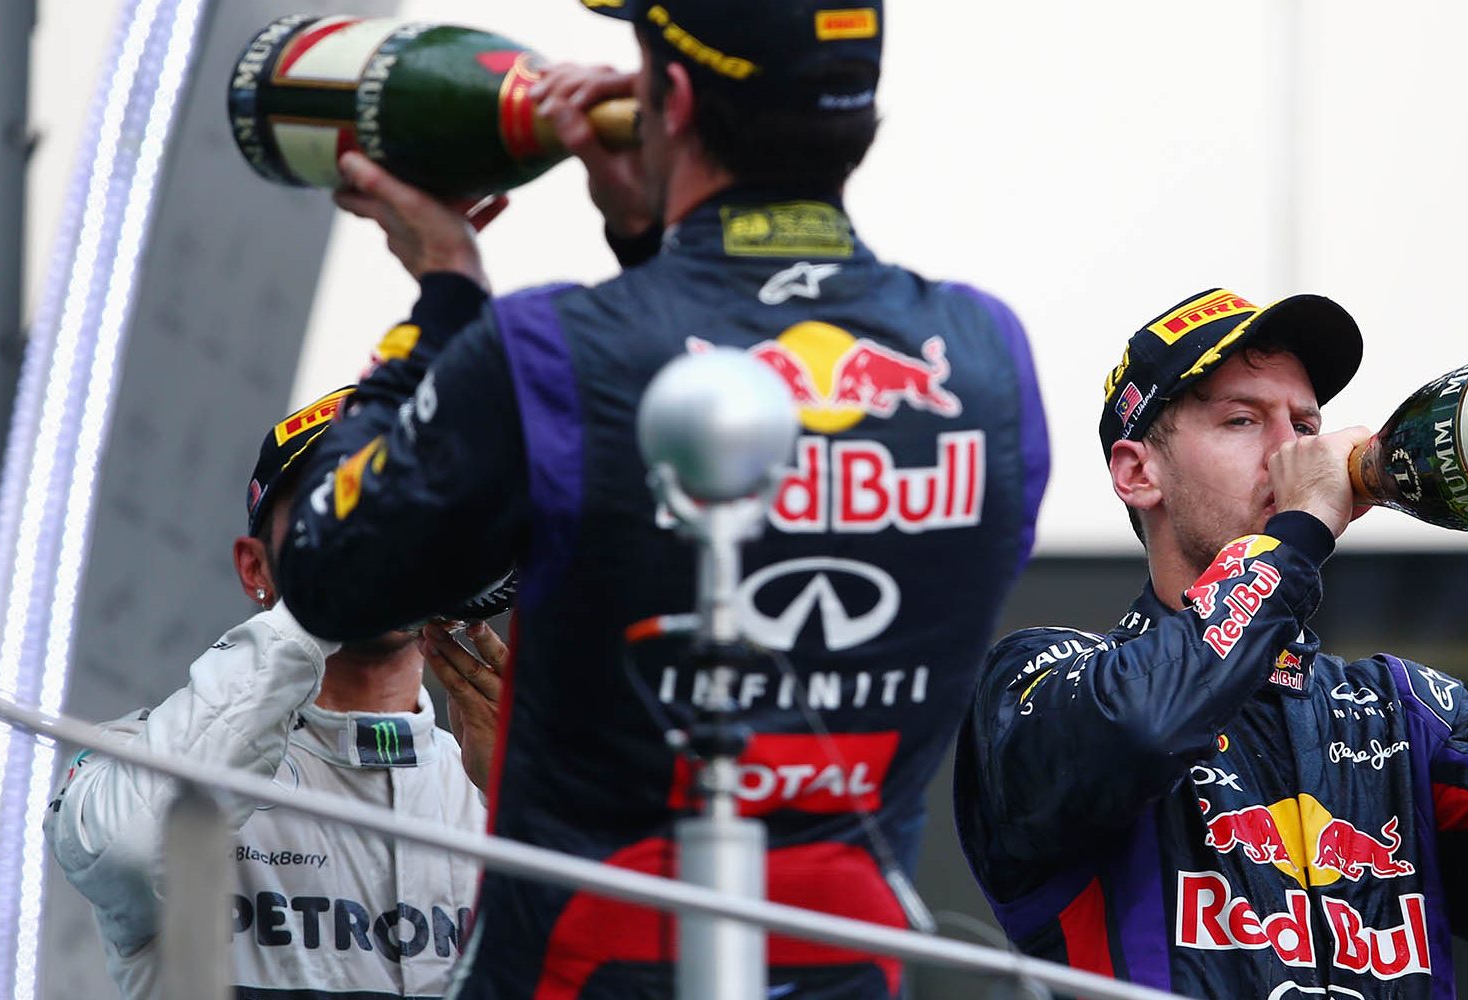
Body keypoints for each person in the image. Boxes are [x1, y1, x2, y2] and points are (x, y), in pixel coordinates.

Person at [270, 1, 1049, 997]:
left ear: (667, 99)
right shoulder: (990, 361)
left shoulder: (552, 348)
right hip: (853, 969)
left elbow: (330, 573)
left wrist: (446, 293)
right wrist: (652, 242)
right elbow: (729, 403)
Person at [953, 289, 1468, 997]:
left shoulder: (1411, 711)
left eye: (1307, 424)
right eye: (1243, 420)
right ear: (1138, 473)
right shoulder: (1040, 677)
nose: (1293, 452)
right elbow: (1143, 729)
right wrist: (1300, 529)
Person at [44, 388, 505, 999]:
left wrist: (532, 806)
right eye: (335, 505)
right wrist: (321, 603)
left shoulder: (493, 780)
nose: (383, 532)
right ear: (255, 568)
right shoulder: (131, 755)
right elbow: (132, 854)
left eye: (409, 503)